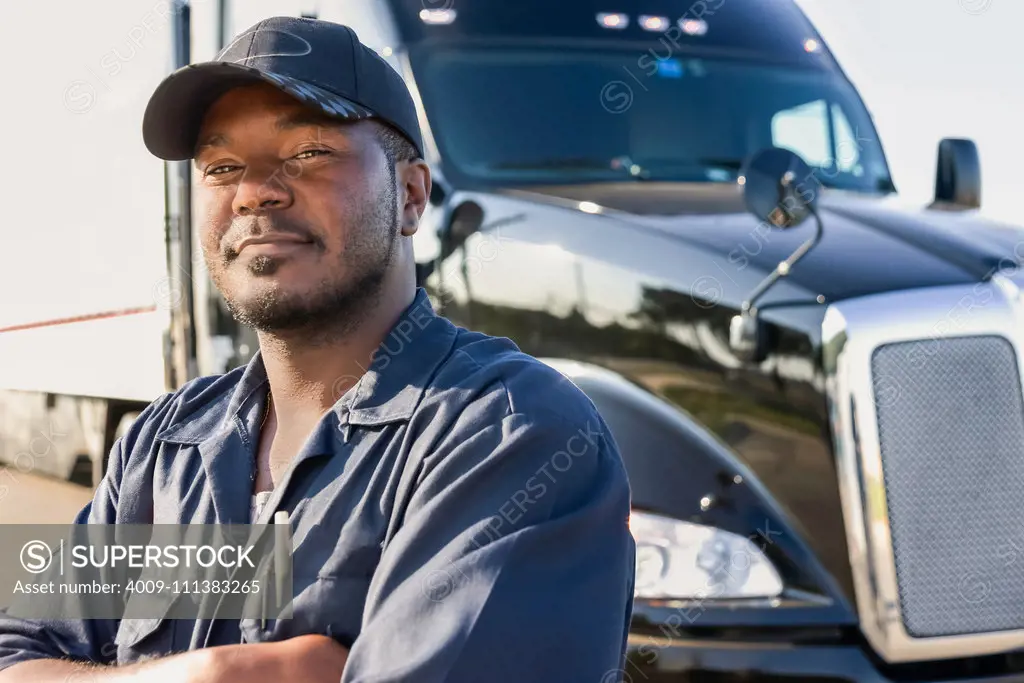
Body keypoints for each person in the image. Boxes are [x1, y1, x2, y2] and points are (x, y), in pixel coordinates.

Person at [0, 16, 636, 683]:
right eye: (221, 166)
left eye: (308, 153)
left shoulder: (508, 434)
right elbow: (14, 651)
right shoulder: (164, 446)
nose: (256, 190)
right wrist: (207, 675)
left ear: (411, 196)